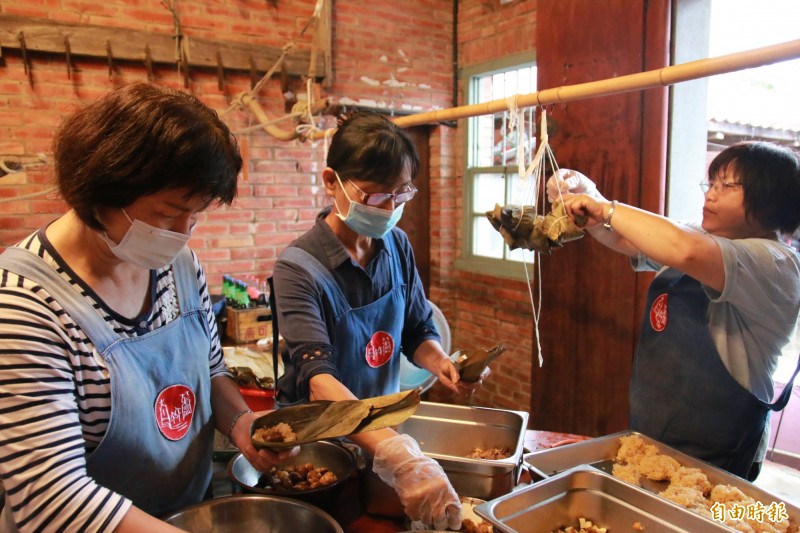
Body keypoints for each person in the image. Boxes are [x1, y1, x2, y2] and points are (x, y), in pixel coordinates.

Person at [0, 82, 294, 532]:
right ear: (101, 189)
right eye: (165, 214)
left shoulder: (179, 266)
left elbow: (210, 371)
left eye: (195, 217)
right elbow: (52, 498)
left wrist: (242, 423)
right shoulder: (24, 305)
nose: (182, 234)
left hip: (188, 513)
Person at [270, 111, 482, 529]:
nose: (388, 208)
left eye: (400, 195)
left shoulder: (396, 245)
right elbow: (318, 380)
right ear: (332, 181)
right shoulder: (297, 269)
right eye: (375, 196)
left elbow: (417, 329)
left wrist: (441, 362)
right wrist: (396, 453)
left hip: (382, 432)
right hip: (321, 447)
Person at [549, 141, 800, 481]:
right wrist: (585, 193)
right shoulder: (702, 237)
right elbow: (627, 238)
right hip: (653, 436)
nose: (711, 194)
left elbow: (685, 250)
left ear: (771, 199)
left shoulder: (775, 262)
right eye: (711, 183)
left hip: (719, 453)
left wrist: (605, 206)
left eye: (727, 186)